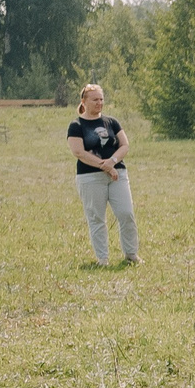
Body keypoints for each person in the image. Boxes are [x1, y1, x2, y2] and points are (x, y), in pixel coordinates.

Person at [67, 83, 136, 266]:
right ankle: (102, 259)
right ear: (84, 102)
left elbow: (124, 145)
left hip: (118, 175)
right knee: (96, 218)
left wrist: (112, 162)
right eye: (95, 100)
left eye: (101, 99)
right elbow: (79, 152)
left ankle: (131, 255)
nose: (99, 103)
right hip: (90, 177)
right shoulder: (76, 126)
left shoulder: (112, 122)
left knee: (126, 213)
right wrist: (105, 167)